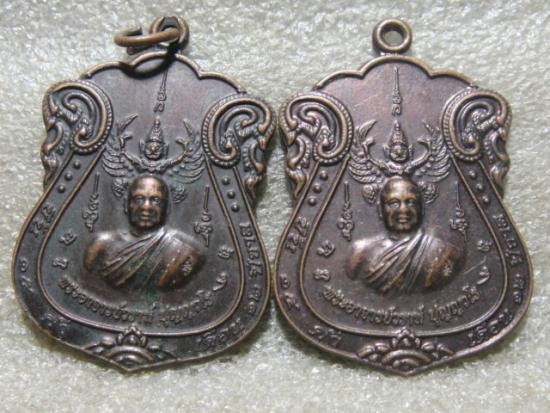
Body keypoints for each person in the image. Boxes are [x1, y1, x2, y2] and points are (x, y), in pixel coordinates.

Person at [84, 175, 203, 293]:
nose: (146, 207)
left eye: (155, 200)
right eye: (139, 199)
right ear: (126, 204)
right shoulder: (100, 246)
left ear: (167, 208)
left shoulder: (184, 252)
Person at [347, 176, 463, 294]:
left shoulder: (445, 253)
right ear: (380, 210)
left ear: (422, 209)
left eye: (411, 202)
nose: (403, 210)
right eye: (393, 203)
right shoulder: (360, 253)